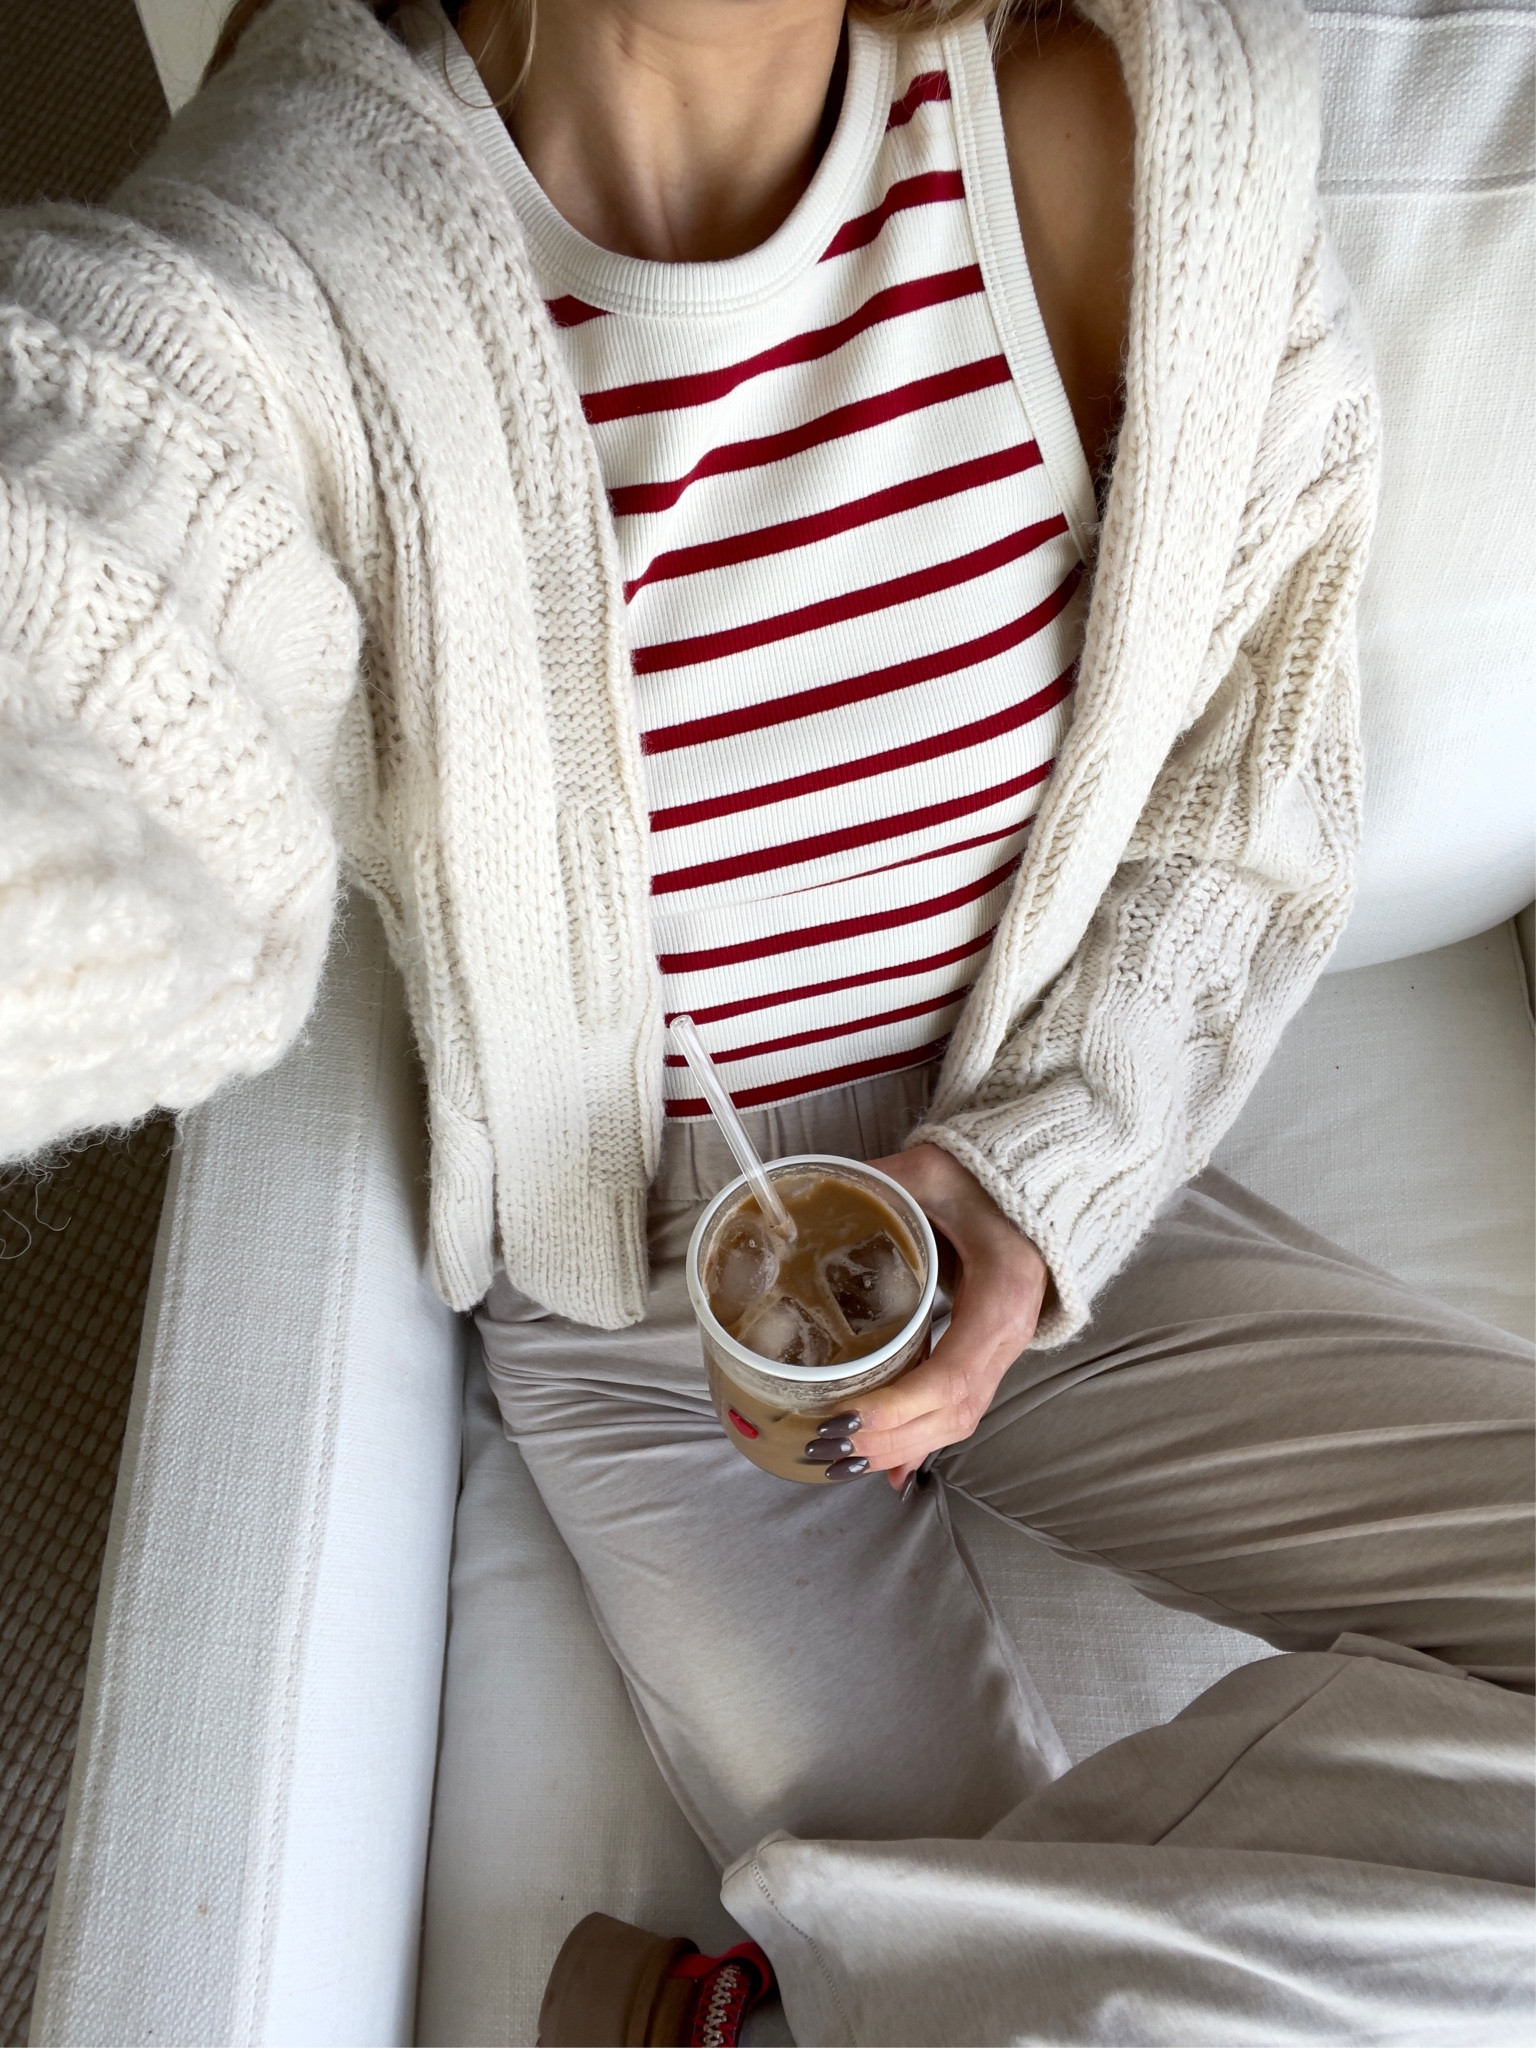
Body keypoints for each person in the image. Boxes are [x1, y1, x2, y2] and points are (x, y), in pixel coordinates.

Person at [1, 0, 1530, 2041]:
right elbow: (103, 512)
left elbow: (1237, 788)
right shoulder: (315, 229)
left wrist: (1045, 1167)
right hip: (656, 1324)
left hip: (1044, 1205)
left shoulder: (1140, 128)